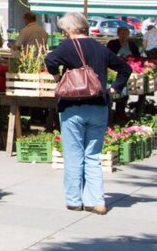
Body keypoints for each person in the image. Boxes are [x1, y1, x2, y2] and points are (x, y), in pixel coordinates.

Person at [45, 12, 131, 214]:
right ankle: (96, 201)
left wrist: (58, 77)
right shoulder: (101, 48)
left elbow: (49, 61)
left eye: (64, 29)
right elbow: (125, 68)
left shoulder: (67, 46)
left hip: (72, 106)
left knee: (74, 154)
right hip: (99, 106)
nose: (64, 33)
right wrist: (114, 89)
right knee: (92, 155)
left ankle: (74, 200)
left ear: (71, 28)